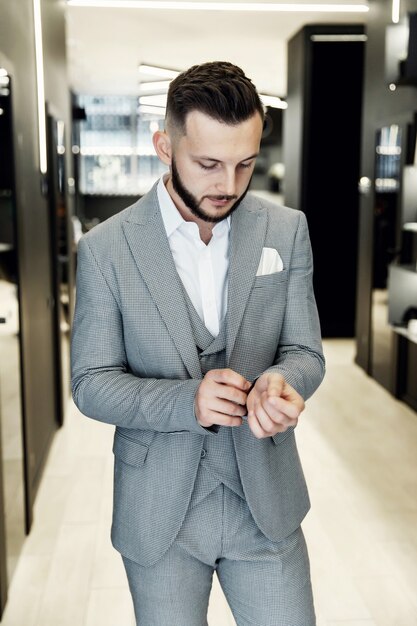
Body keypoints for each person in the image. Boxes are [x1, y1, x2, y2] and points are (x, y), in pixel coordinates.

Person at [71, 61, 325, 626]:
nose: (228, 185)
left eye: (245, 164)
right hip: (159, 512)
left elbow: (306, 352)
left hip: (266, 504)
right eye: (208, 164)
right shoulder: (106, 249)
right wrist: (185, 402)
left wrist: (285, 382)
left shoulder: (286, 230)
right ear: (165, 145)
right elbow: (90, 384)